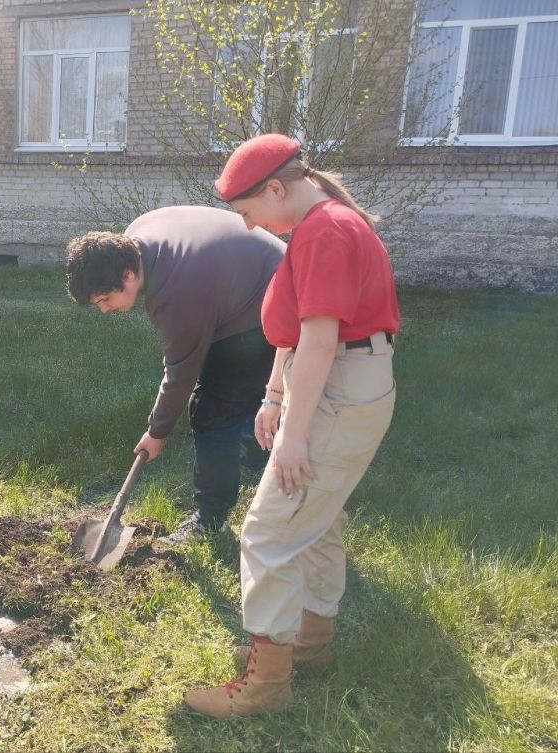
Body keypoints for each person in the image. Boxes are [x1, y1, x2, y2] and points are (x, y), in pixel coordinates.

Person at [183, 134, 399, 718]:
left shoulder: (327, 231)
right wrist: (274, 397)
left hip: (339, 383)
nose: (249, 226)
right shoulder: (313, 227)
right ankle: (309, 642)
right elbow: (297, 330)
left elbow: (323, 341)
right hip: (336, 378)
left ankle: (266, 687)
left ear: (277, 188)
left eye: (248, 211)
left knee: (268, 533)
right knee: (316, 516)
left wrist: (296, 436)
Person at [66, 207, 285, 543]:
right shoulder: (137, 237)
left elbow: (181, 371)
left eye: (106, 299)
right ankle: (261, 459)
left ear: (127, 274)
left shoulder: (177, 293)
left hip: (273, 305)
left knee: (212, 412)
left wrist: (157, 432)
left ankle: (210, 522)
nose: (105, 309)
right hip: (247, 287)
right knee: (239, 395)